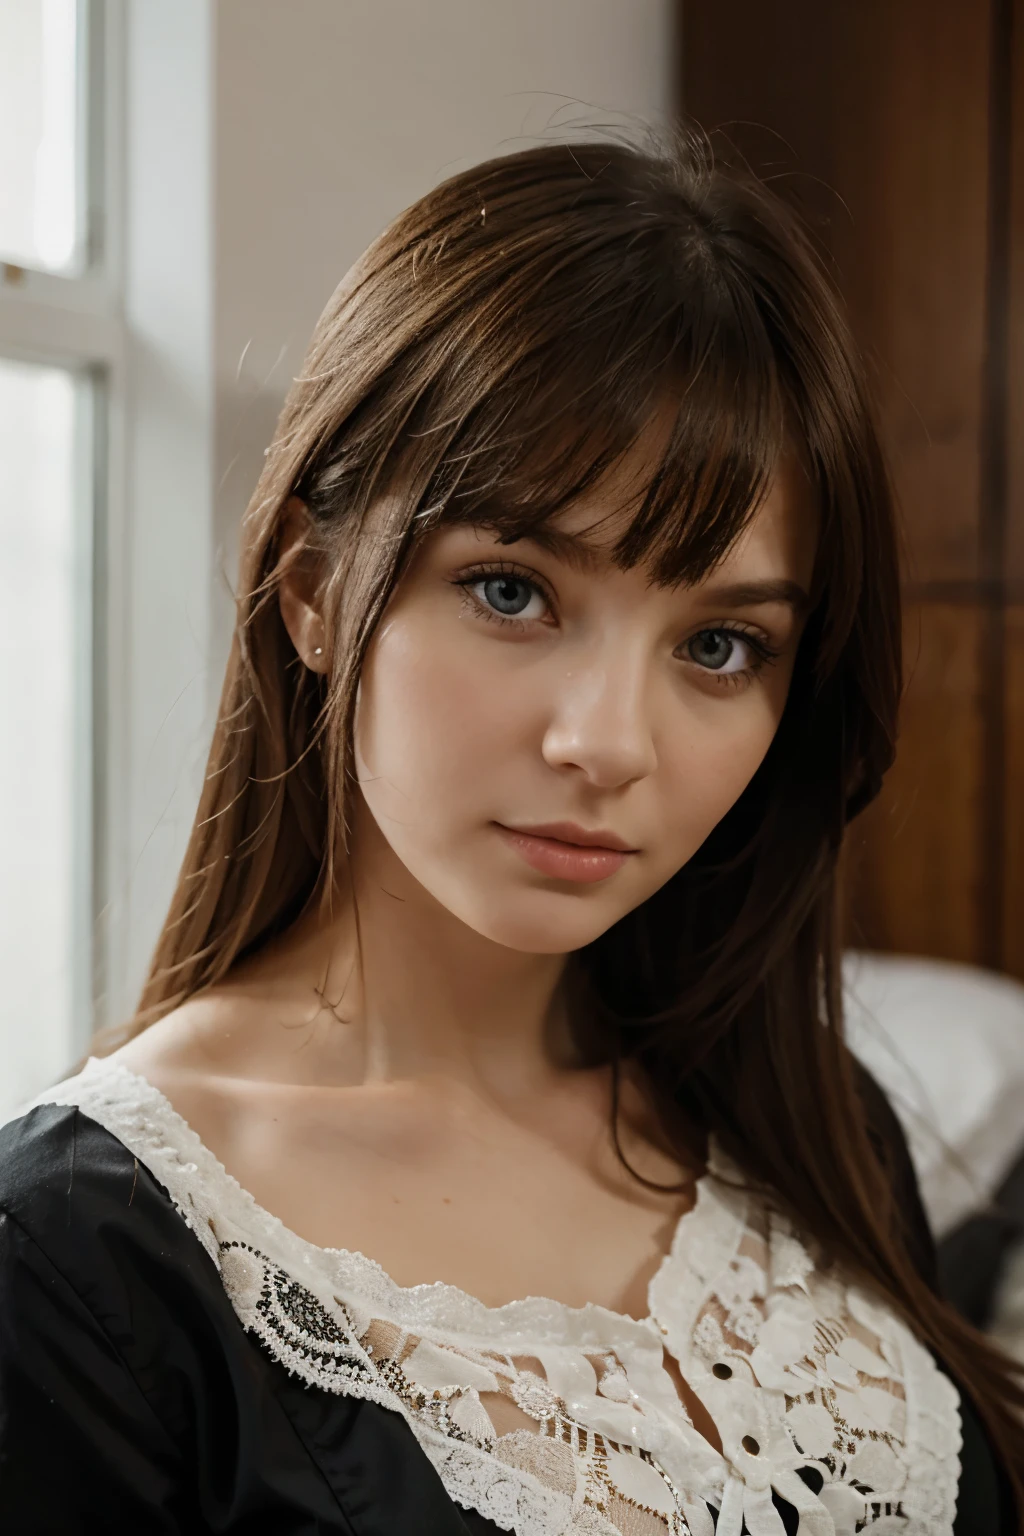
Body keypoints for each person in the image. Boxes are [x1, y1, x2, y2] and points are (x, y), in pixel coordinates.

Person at [0, 137, 1019, 1536]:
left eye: (719, 644)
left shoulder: (816, 1128)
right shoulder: (76, 1260)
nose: (608, 743)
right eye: (512, 591)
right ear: (311, 588)